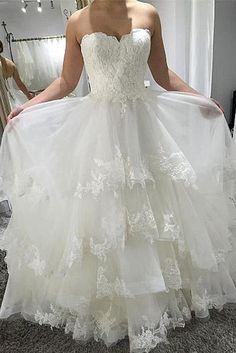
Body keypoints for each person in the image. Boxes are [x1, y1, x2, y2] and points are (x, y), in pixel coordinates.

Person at [0, 1, 235, 352]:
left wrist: (202, 99)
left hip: (144, 126)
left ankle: (158, 290)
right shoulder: (77, 21)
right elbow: (67, 81)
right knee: (99, 210)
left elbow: (163, 75)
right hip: (97, 130)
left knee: (153, 210)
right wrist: (27, 107)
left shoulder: (148, 14)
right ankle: (104, 300)